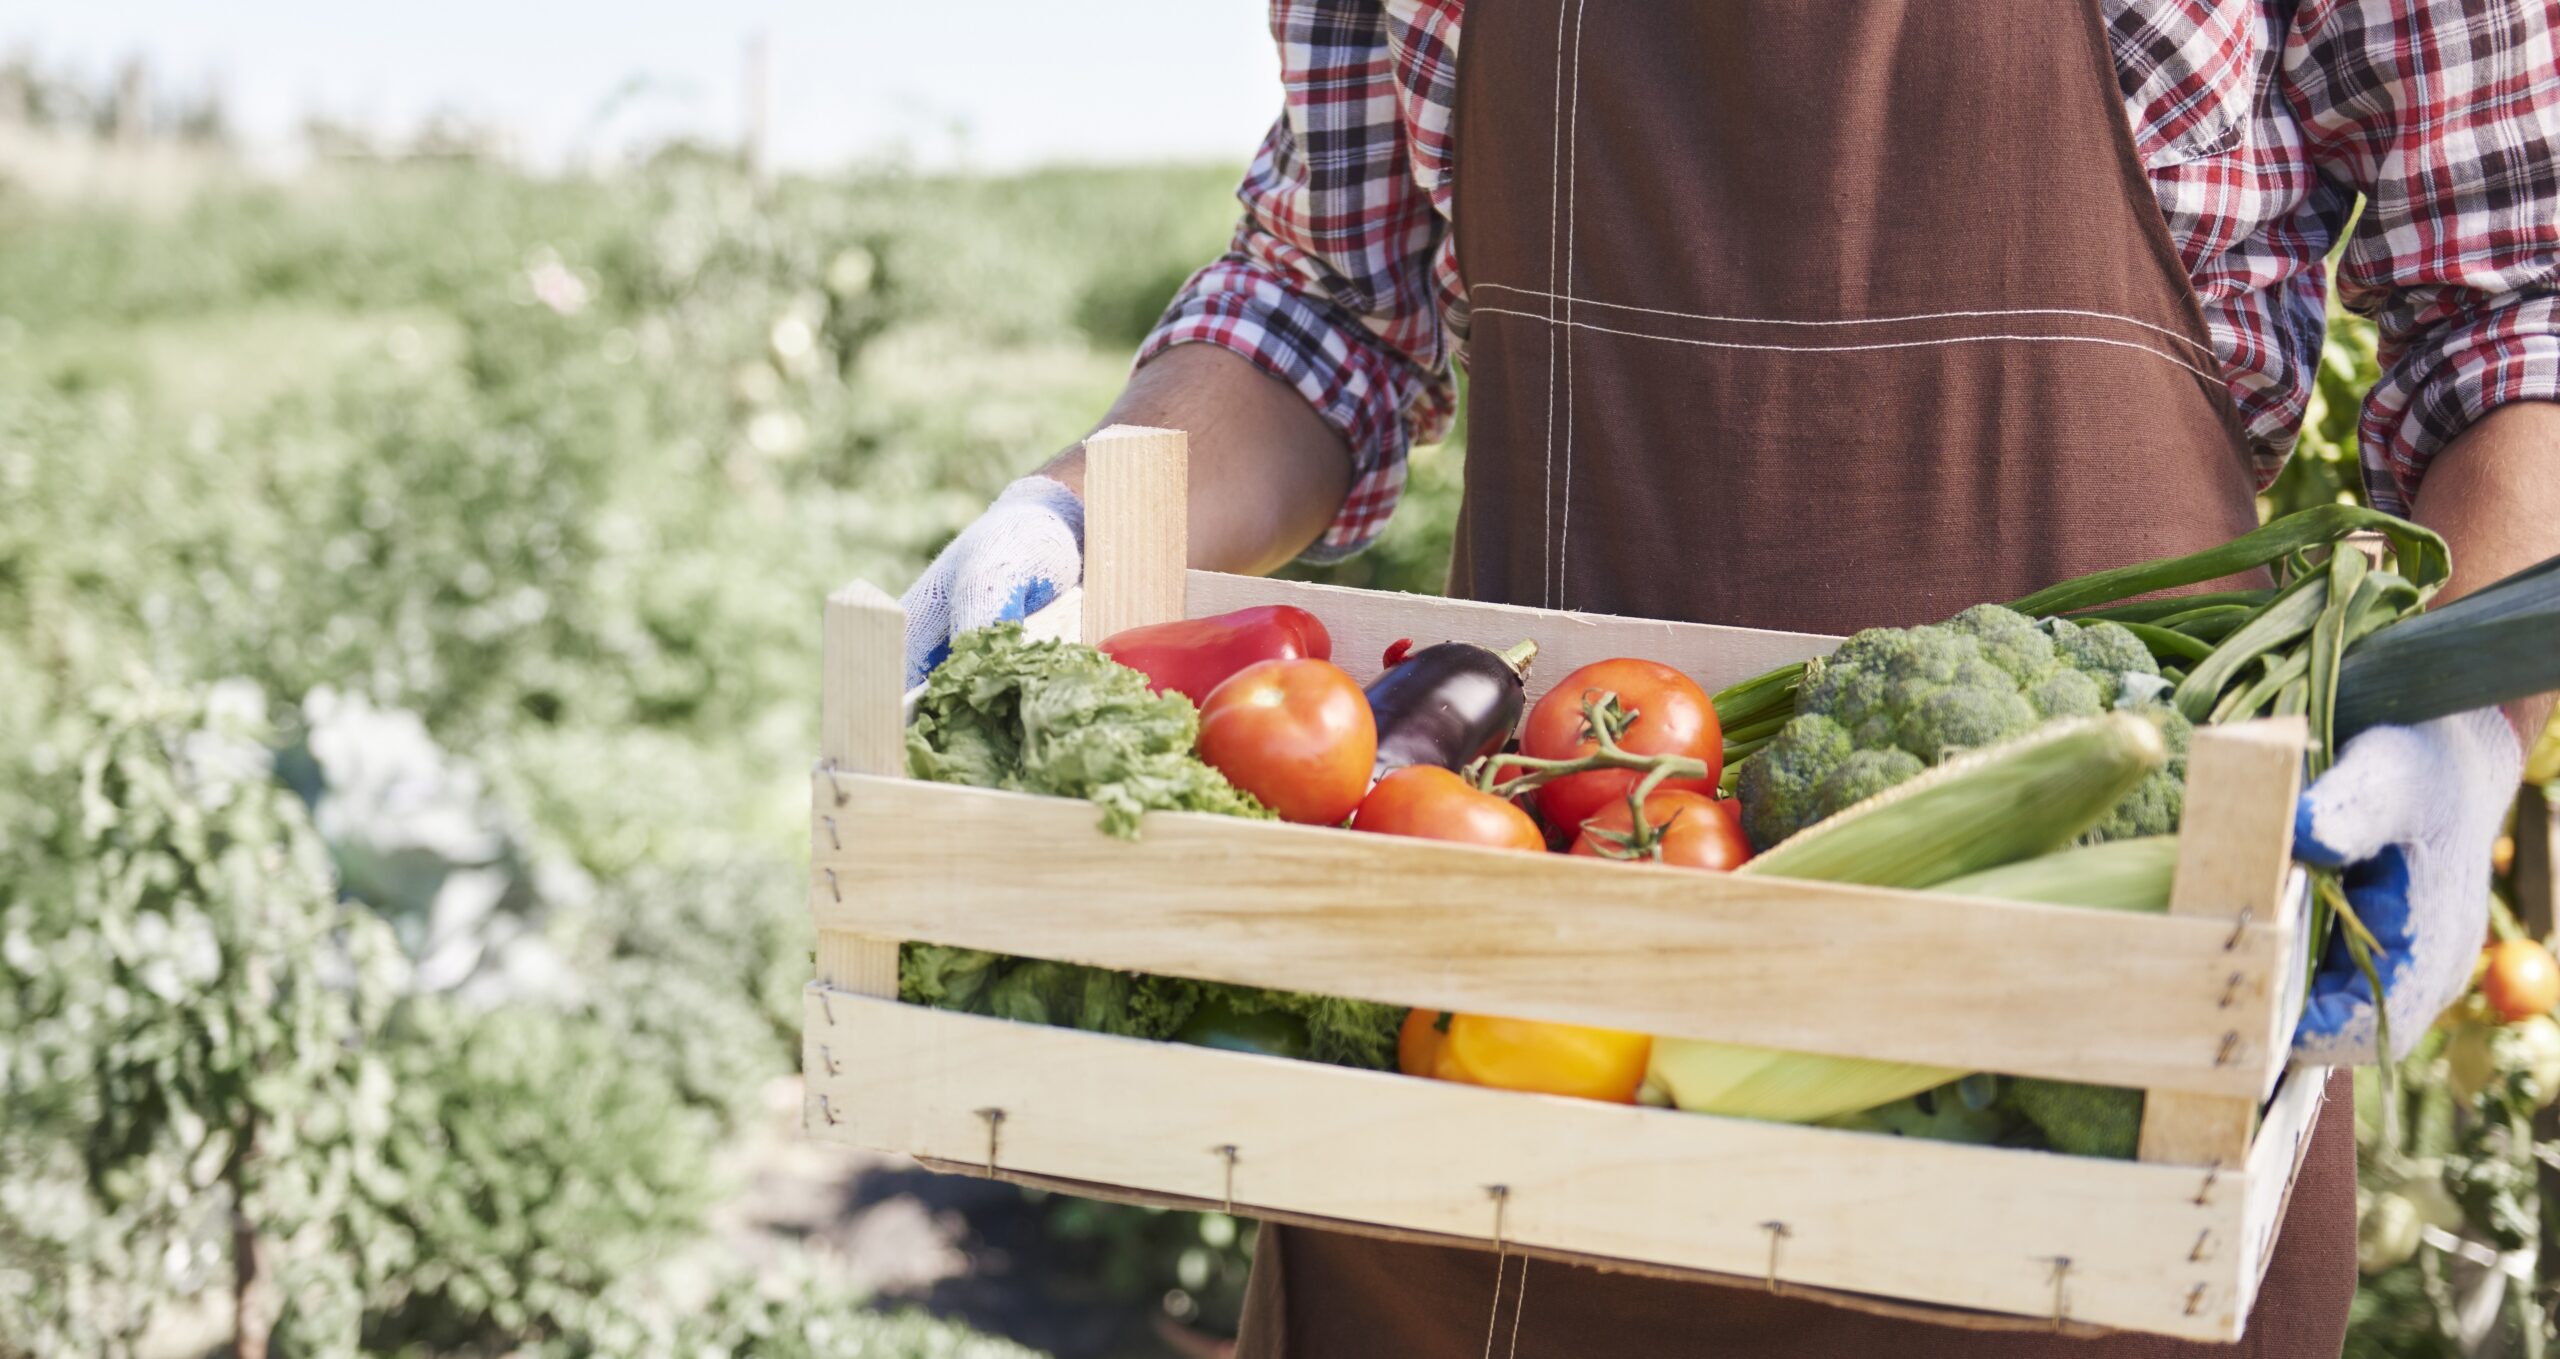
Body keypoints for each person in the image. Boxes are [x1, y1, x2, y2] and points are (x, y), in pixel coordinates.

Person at [900, 1, 2559, 1353]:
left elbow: (2519, 321)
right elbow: (1327, 300)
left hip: (2097, 1069)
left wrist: (2466, 723)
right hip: (1515, 1043)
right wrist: (1081, 512)